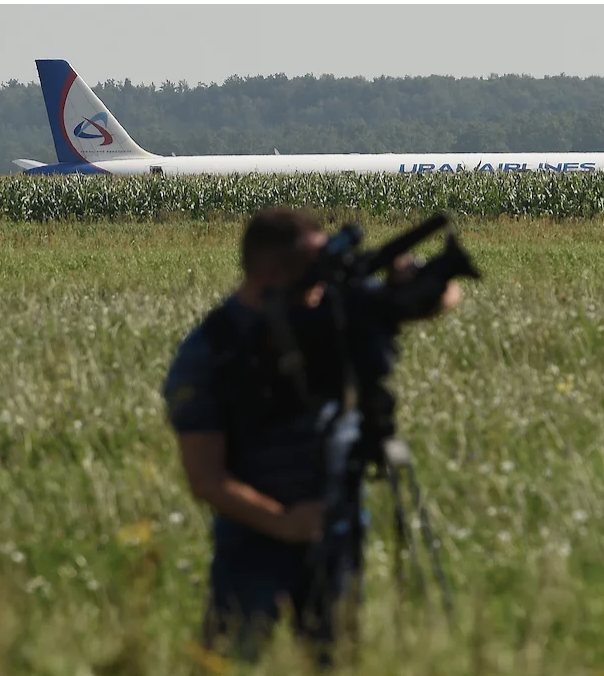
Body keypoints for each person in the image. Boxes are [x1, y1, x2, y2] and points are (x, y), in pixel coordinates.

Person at [160, 206, 462, 665]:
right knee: (229, 658)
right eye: (310, 276)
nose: (320, 288)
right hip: (254, 544)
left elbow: (428, 301)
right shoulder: (213, 351)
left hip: (337, 533)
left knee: (336, 657)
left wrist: (420, 278)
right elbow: (205, 478)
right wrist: (285, 522)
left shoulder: (330, 312)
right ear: (273, 274)